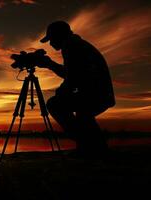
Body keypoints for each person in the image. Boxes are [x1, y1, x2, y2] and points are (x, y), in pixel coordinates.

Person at [37, 21, 115, 157]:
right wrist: (50, 64)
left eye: (51, 39)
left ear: (59, 35)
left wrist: (61, 92)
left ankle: (88, 144)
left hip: (96, 95)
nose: (50, 44)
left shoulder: (71, 47)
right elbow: (72, 73)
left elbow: (73, 78)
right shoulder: (75, 44)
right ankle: (94, 146)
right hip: (98, 94)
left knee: (55, 104)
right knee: (83, 114)